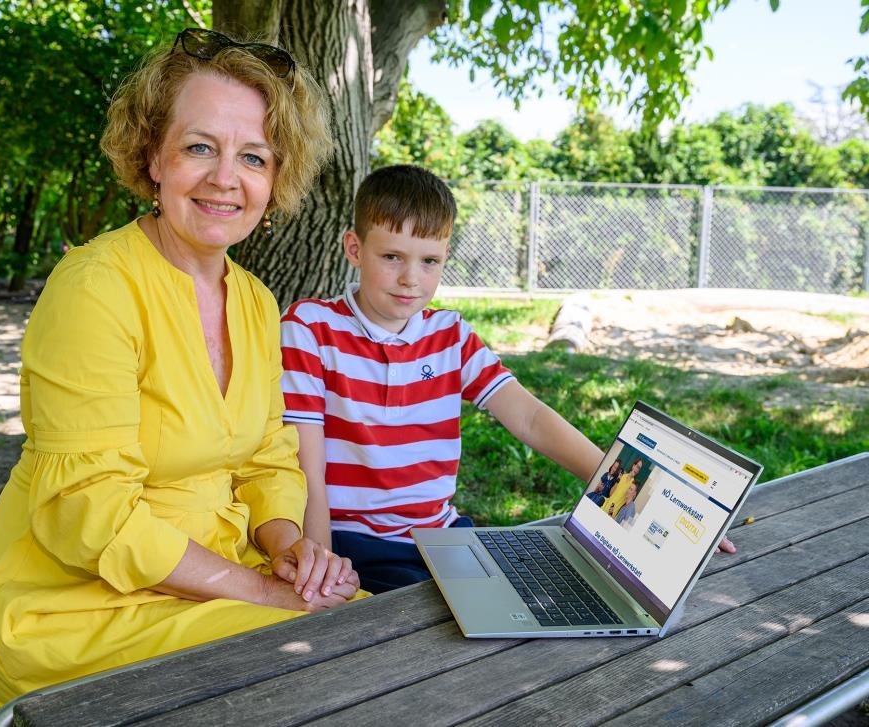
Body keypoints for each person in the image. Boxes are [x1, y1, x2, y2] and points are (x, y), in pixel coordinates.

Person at [0, 28, 362, 707]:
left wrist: (286, 547)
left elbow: (269, 457)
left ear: (276, 178)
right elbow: (89, 513)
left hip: (217, 577)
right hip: (76, 605)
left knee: (370, 628)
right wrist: (265, 591)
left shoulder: (257, 301)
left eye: (254, 157)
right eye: (199, 147)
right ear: (153, 155)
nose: (224, 178)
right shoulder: (95, 287)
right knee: (334, 655)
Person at [279, 164, 735, 594]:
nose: (410, 279)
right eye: (392, 256)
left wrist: (637, 501)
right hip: (355, 545)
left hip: (441, 537)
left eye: (429, 261)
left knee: (552, 600)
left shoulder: (450, 336)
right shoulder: (310, 328)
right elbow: (307, 466)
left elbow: (531, 419)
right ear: (354, 248)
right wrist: (320, 559)